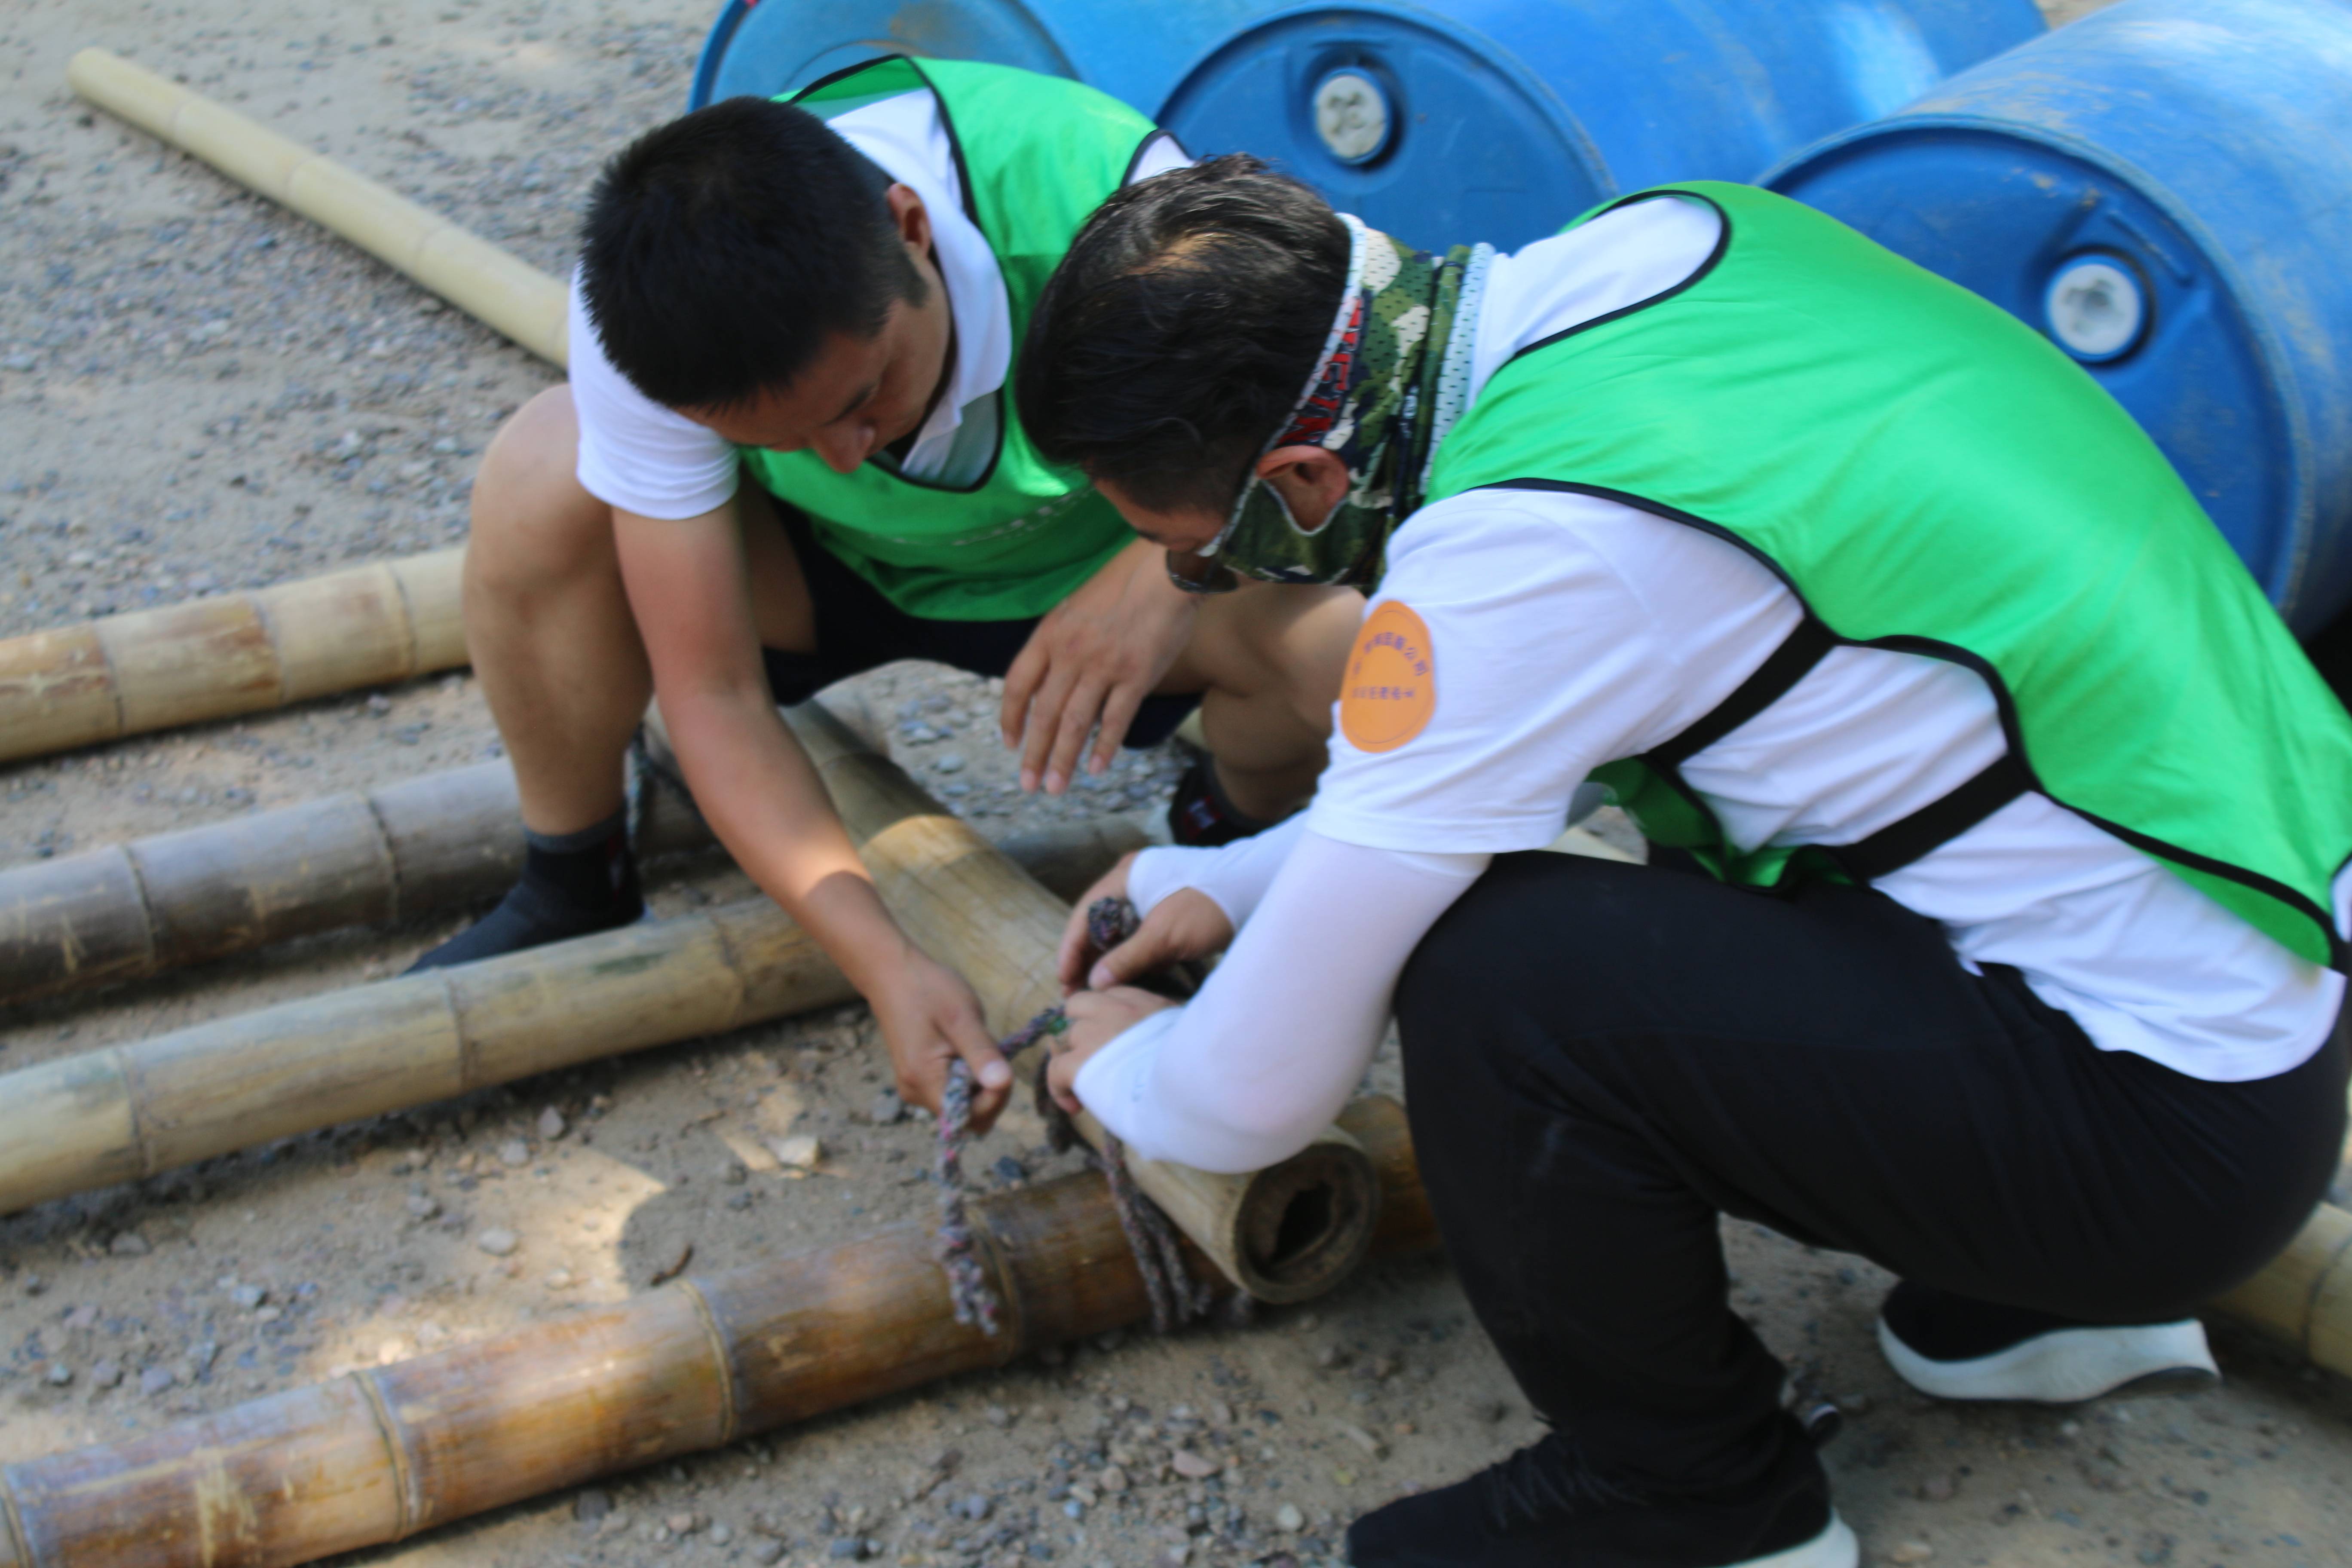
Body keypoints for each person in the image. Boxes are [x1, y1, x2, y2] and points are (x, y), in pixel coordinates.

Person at [1013, 157, 2352, 1568]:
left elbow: (1247, 1097)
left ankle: (1697, 1491)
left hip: (2150, 1143)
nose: (1208, 580)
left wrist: (1107, 1058)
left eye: (1203, 555)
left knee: (1496, 968)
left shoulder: (1522, 547)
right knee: (1695, 822)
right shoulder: (1673, 244)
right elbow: (1590, 693)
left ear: (1299, 478)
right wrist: (1219, 883)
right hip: (2245, 1012)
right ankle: (2013, 1299)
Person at [412, 61, 1358, 1132]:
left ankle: (1212, 851)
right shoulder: (647, 328)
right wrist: (884, 960)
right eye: (784, 437)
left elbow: (1324, 435)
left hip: (1096, 556)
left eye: (865, 398)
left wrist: (1168, 572)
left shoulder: (1113, 201)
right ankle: (573, 874)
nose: (847, 457)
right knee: (545, 470)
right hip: (822, 574)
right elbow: (711, 692)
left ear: (910, 227)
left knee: (1348, 639)